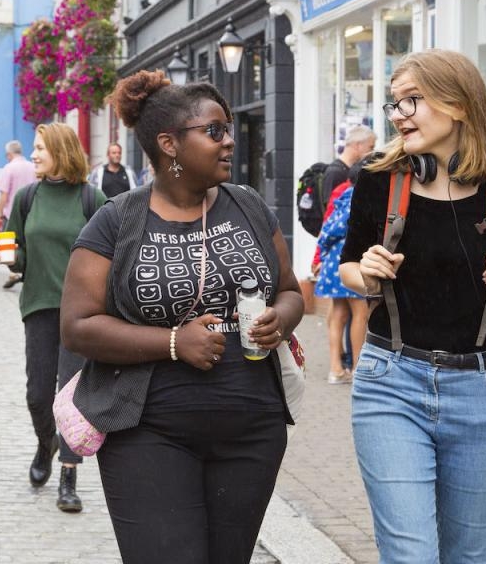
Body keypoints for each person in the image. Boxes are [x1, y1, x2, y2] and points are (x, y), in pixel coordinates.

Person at [60, 71, 304, 562]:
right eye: (214, 131)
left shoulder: (249, 205)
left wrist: (281, 318)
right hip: (149, 432)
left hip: (251, 430)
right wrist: (173, 342)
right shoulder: (117, 220)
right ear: (169, 144)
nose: (229, 141)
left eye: (228, 129)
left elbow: (290, 290)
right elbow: (78, 325)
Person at [339, 49, 486, 563]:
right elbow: (347, 266)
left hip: (484, 390)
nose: (398, 116)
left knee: (473, 556)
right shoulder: (379, 177)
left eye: (411, 101)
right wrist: (366, 273)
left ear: (458, 103)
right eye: (393, 105)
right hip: (389, 384)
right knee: (411, 554)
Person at [0, 123, 105, 513]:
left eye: (40, 148)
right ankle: (46, 444)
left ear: (60, 151)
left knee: (71, 397)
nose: (34, 155)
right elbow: (13, 244)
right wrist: (8, 256)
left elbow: (112, 252)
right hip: (39, 307)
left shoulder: (91, 198)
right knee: (37, 394)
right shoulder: (28, 198)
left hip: (81, 315)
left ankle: (68, 476)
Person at [315, 159, 369, 383]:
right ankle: (357, 368)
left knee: (338, 314)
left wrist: (322, 255)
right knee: (360, 313)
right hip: (349, 262)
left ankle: (336, 369)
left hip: (332, 266)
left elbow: (326, 231)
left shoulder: (343, 197)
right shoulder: (359, 198)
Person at [0, 140, 36, 289]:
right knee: (28, 243)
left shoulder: (9, 168)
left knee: (7, 245)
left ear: (9, 154)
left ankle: (14, 272)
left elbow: (4, 194)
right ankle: (28, 271)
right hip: (32, 212)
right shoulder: (33, 166)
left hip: (12, 214)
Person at [321, 125, 376, 207]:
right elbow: (331, 210)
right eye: (371, 147)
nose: (372, 152)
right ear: (358, 145)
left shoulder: (352, 170)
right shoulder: (335, 173)